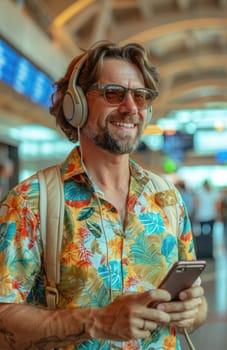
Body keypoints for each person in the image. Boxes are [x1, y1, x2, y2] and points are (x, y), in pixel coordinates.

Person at [0, 40, 207, 350]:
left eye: (140, 96)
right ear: (76, 104)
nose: (130, 107)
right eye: (113, 93)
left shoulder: (167, 198)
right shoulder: (30, 202)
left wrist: (195, 311)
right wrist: (97, 322)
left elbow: (195, 304)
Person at [194, 180, 220, 259]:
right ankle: (210, 252)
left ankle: (202, 252)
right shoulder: (214, 193)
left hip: (201, 216)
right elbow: (217, 205)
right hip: (211, 216)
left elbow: (196, 204)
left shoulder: (199, 193)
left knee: (202, 235)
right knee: (210, 236)